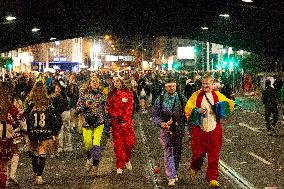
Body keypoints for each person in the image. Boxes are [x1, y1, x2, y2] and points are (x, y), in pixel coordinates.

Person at [184, 75, 234, 188]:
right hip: (199, 130)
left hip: (214, 129)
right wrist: (197, 110)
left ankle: (213, 178)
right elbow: (187, 109)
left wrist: (221, 107)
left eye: (207, 84)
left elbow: (230, 105)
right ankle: (194, 167)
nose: (205, 86)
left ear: (212, 84)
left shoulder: (218, 95)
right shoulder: (195, 95)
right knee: (197, 154)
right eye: (203, 83)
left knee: (214, 155)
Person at [152, 78, 186, 187]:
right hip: (165, 129)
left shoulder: (181, 98)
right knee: (168, 152)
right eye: (169, 86)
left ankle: (174, 171)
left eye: (173, 86)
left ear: (176, 87)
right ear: (165, 87)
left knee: (177, 151)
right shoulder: (160, 99)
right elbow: (154, 115)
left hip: (178, 129)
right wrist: (161, 123)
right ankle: (170, 176)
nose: (171, 88)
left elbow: (188, 112)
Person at [24, 81, 59, 185]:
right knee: (42, 152)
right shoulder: (48, 102)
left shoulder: (30, 102)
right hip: (45, 130)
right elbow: (53, 118)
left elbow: (25, 116)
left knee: (34, 152)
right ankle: (39, 176)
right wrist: (55, 132)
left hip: (33, 130)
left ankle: (35, 173)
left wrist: (26, 132)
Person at [77, 75, 107, 177]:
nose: (94, 83)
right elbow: (78, 108)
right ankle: (89, 159)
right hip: (87, 123)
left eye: (96, 82)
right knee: (88, 144)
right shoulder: (83, 94)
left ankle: (95, 167)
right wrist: (85, 105)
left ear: (99, 84)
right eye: (93, 81)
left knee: (96, 144)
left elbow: (106, 108)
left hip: (99, 122)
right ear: (89, 83)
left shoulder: (102, 94)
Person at [107, 76, 135, 175]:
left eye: (118, 81)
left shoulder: (128, 93)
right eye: (115, 82)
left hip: (127, 123)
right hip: (116, 124)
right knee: (118, 145)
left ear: (121, 82)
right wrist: (115, 115)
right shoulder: (111, 94)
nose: (116, 83)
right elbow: (109, 107)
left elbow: (130, 107)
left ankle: (127, 159)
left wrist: (124, 118)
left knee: (130, 143)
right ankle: (119, 165)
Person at [0, 81, 23, 189]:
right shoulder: (11, 105)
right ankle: (7, 180)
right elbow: (19, 117)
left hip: (6, 133)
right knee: (4, 164)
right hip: (7, 135)